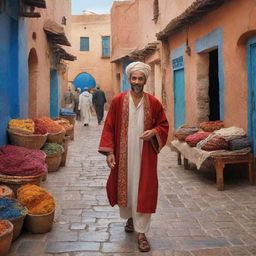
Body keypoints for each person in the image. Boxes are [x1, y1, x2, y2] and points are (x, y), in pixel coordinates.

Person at [98, 61, 169, 252]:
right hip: (123, 154)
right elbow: (109, 127)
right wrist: (110, 152)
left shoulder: (153, 102)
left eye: (140, 78)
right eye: (134, 78)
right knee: (127, 187)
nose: (137, 81)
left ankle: (142, 233)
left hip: (145, 155)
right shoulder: (118, 101)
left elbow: (163, 125)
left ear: (145, 80)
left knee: (144, 189)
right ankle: (130, 218)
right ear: (129, 79)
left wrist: (154, 132)